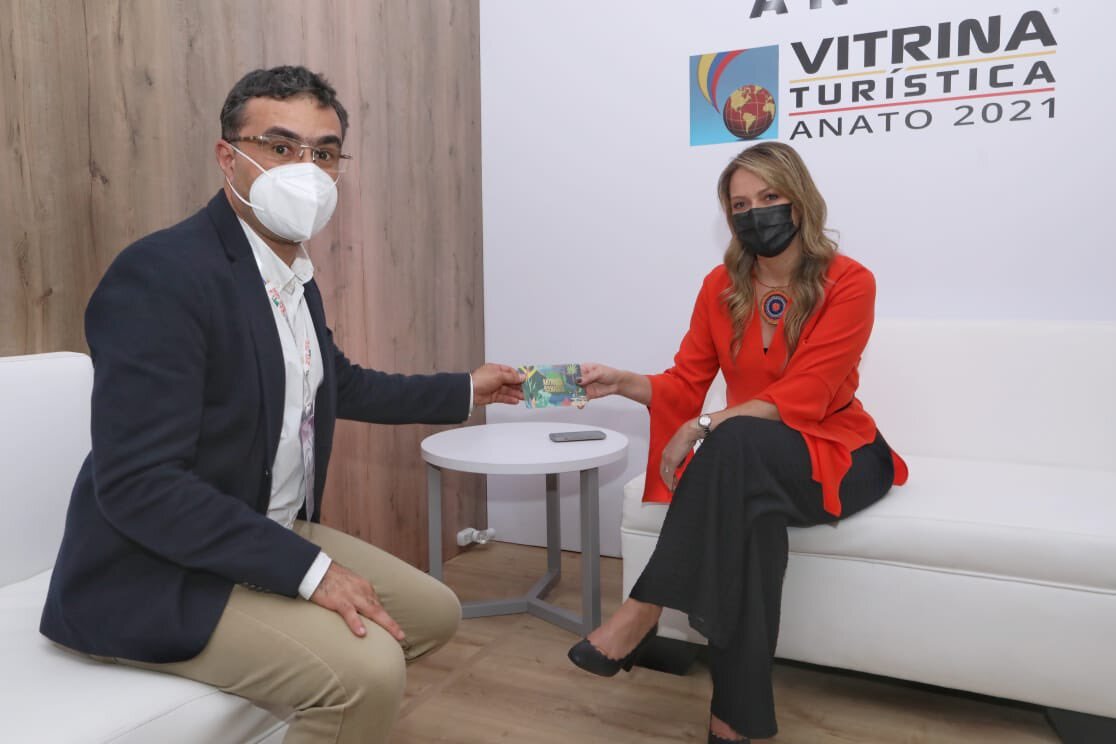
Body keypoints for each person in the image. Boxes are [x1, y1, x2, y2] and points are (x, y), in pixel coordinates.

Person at [40, 66, 523, 744]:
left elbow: (336, 381)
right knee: (367, 673)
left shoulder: (290, 274)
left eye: (324, 152)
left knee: (434, 613)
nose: (307, 169)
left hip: (259, 524)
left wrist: (466, 389)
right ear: (227, 157)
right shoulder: (162, 274)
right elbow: (139, 484)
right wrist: (310, 572)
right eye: (279, 146)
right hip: (156, 566)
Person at [566, 142, 908, 743]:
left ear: (799, 201)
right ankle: (735, 723)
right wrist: (624, 382)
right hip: (751, 460)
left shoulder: (850, 282)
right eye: (741, 205)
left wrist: (704, 425)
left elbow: (810, 391)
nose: (756, 213)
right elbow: (686, 381)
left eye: (769, 197)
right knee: (749, 516)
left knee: (734, 437)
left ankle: (645, 606)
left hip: (841, 454)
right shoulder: (721, 287)